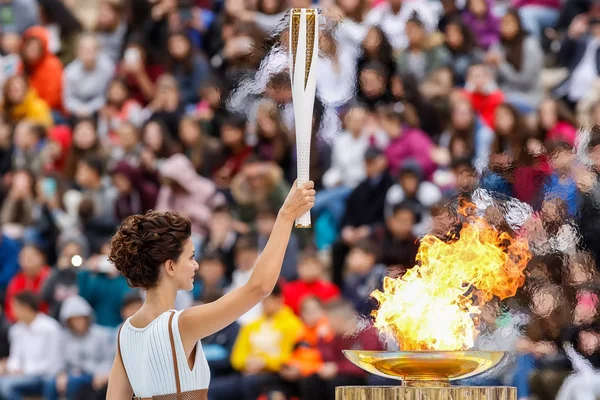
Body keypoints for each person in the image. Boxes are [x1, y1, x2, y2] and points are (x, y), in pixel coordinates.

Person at [105, 180, 315, 399]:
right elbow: (259, 287)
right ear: (170, 266)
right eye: (191, 257)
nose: (196, 265)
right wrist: (285, 216)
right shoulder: (181, 324)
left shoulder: (126, 332)